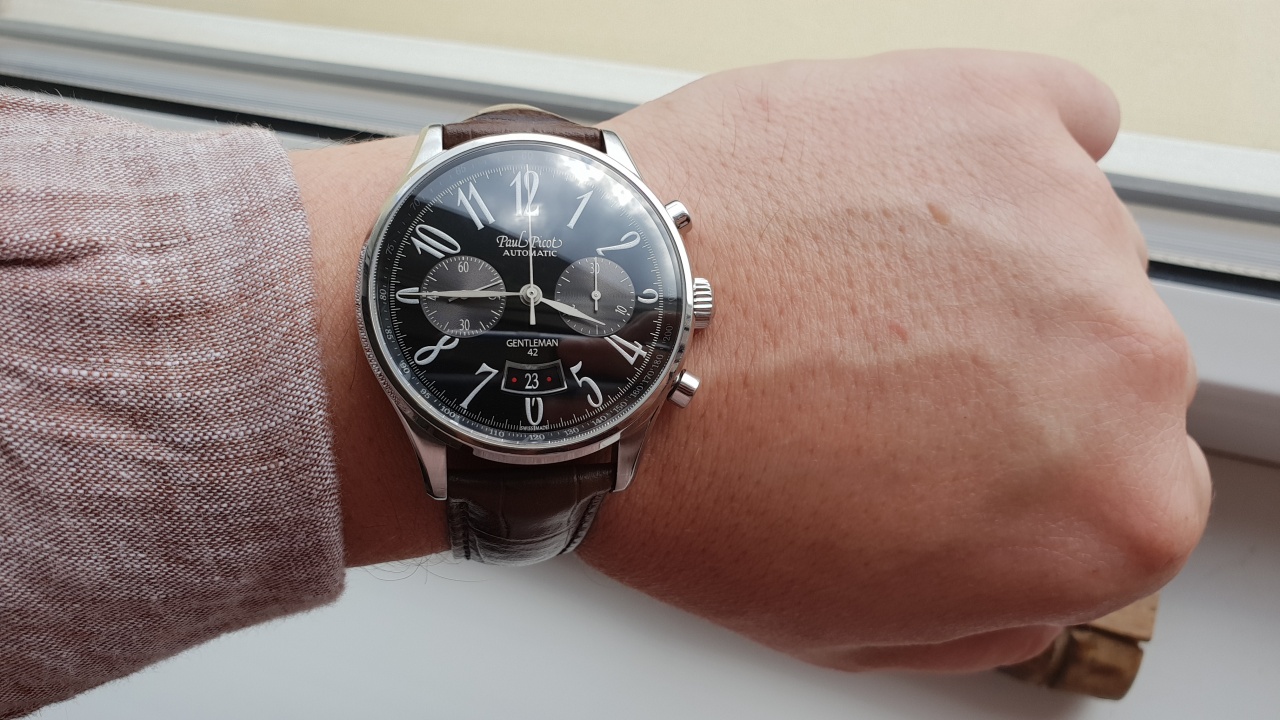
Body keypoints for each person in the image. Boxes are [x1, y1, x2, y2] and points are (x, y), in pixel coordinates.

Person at [0, 50, 1210, 717]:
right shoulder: (467, 286)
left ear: (686, 299)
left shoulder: (645, 316)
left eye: (569, 303)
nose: (532, 310)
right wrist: (298, 353)